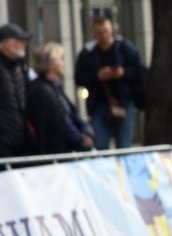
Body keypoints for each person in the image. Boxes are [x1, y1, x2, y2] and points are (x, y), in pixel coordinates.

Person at [73, 9, 147, 150]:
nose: (103, 36)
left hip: (124, 102)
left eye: (106, 31)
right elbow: (79, 78)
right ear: (94, 33)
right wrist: (97, 76)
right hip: (99, 104)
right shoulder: (88, 53)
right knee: (101, 144)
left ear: (111, 29)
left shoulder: (125, 48)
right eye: (99, 33)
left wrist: (123, 73)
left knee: (124, 145)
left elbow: (140, 71)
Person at [26, 43, 93, 154]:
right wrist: (80, 140)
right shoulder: (41, 90)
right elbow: (60, 121)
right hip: (55, 150)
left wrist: (87, 131)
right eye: (60, 59)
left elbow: (71, 113)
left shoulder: (56, 87)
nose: (63, 63)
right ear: (51, 63)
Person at [0, 23, 32, 158]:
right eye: (19, 40)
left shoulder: (20, 67)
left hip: (20, 137)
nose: (23, 44)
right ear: (6, 43)